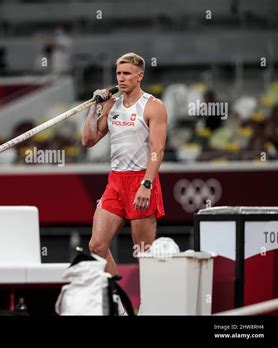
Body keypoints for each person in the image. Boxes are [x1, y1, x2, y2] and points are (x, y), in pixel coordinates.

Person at [82, 52, 167, 314]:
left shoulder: (152, 106)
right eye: (118, 73)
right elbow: (88, 140)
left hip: (141, 179)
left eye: (127, 73)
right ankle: (118, 300)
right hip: (115, 181)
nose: (121, 78)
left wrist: (147, 183)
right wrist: (94, 106)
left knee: (143, 253)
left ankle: (150, 307)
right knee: (96, 245)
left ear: (140, 75)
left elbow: (158, 148)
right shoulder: (113, 105)